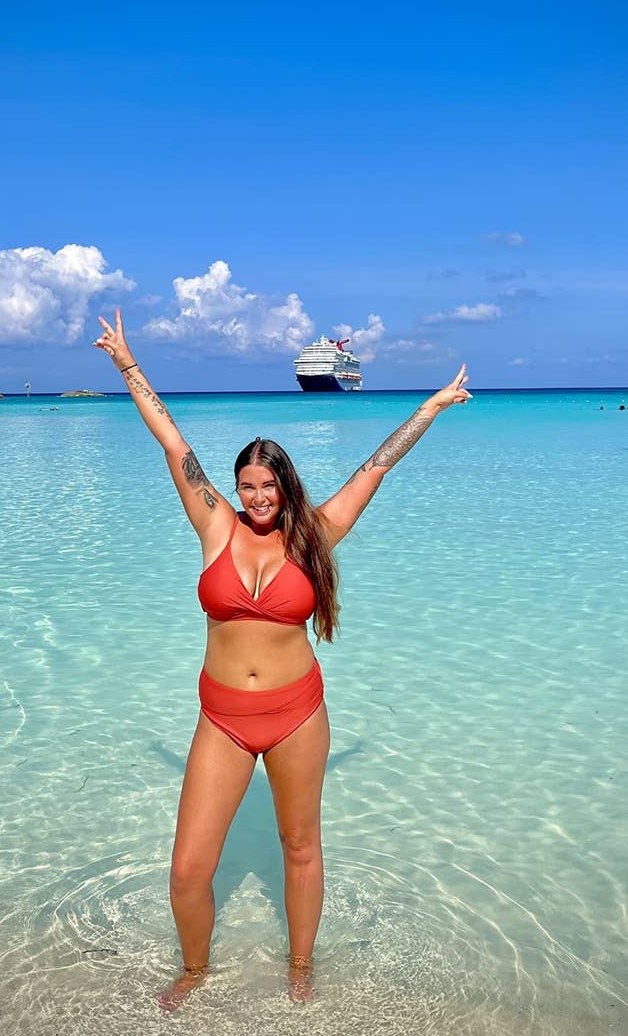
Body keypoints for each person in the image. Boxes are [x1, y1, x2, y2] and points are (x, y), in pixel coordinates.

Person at [93, 309, 472, 1009]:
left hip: (298, 715)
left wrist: (431, 406)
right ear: (235, 487)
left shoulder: (315, 534)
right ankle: (195, 969)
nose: (258, 497)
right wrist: (125, 362)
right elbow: (172, 439)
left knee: (300, 848)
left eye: (268, 486)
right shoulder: (213, 523)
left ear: (285, 486)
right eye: (248, 485)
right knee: (187, 869)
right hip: (225, 717)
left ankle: (302, 968)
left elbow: (376, 466)